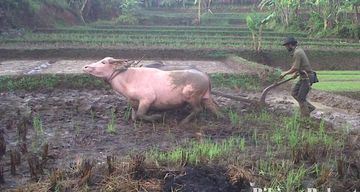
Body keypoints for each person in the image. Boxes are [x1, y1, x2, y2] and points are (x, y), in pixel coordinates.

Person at [279, 37, 316, 117]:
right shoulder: (298, 51)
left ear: (290, 45)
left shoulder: (297, 53)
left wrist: (285, 73)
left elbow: (295, 67)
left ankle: (305, 118)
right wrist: (296, 74)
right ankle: (309, 107)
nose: (286, 48)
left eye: (286, 46)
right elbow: (299, 66)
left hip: (307, 77)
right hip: (303, 76)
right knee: (294, 93)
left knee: (301, 98)